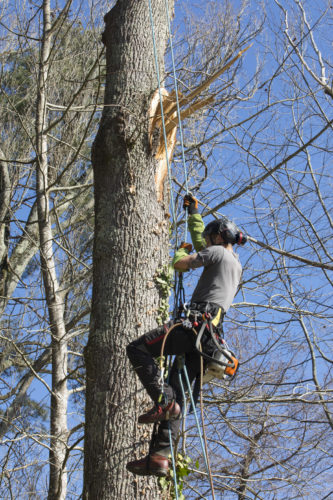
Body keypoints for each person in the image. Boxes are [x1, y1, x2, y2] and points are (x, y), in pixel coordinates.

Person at [126, 194, 246, 477]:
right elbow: (206, 244)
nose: (207, 242)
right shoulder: (234, 264)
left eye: (210, 237)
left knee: (138, 349)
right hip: (210, 339)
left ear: (218, 236)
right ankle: (160, 457)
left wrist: (181, 252)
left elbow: (182, 263)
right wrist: (195, 214)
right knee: (181, 398)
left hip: (194, 326)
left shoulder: (217, 253)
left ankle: (163, 400)